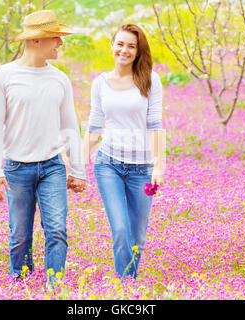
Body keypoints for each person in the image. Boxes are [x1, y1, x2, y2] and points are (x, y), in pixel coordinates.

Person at [0, 10, 86, 282]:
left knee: (57, 230)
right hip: (16, 168)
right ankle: (22, 284)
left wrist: (78, 170)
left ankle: (55, 287)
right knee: (19, 235)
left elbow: (70, 127)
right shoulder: (2, 77)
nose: (60, 43)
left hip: (53, 166)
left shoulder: (59, 79)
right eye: (56, 37)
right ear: (37, 40)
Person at [83, 24, 164, 279]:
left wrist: (159, 166)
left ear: (138, 51)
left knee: (137, 235)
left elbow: (155, 125)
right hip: (108, 165)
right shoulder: (100, 83)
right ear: (112, 46)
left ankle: (129, 282)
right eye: (120, 44)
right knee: (120, 229)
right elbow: (94, 128)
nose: (124, 50)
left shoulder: (150, 79)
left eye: (131, 46)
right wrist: (76, 165)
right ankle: (126, 288)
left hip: (142, 168)